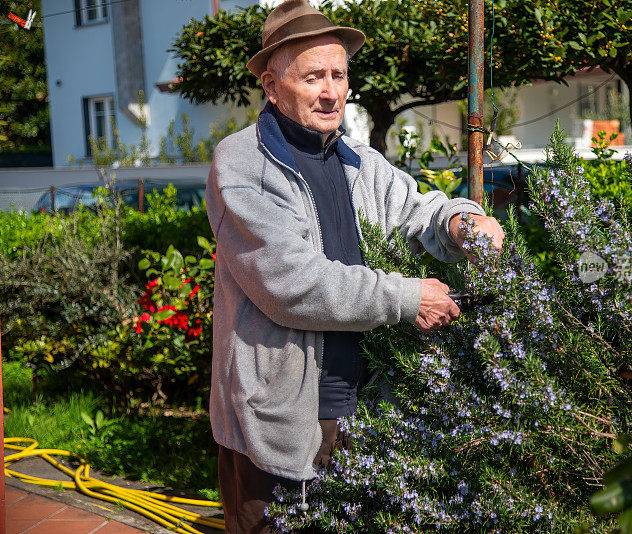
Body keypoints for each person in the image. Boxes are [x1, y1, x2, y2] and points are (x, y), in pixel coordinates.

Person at [205, 1, 504, 531]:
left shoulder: (357, 160)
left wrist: (461, 222)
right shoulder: (241, 164)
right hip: (278, 420)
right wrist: (409, 297)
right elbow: (292, 283)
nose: (331, 91)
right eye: (313, 76)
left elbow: (418, 211)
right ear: (272, 88)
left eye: (339, 75)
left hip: (362, 408)